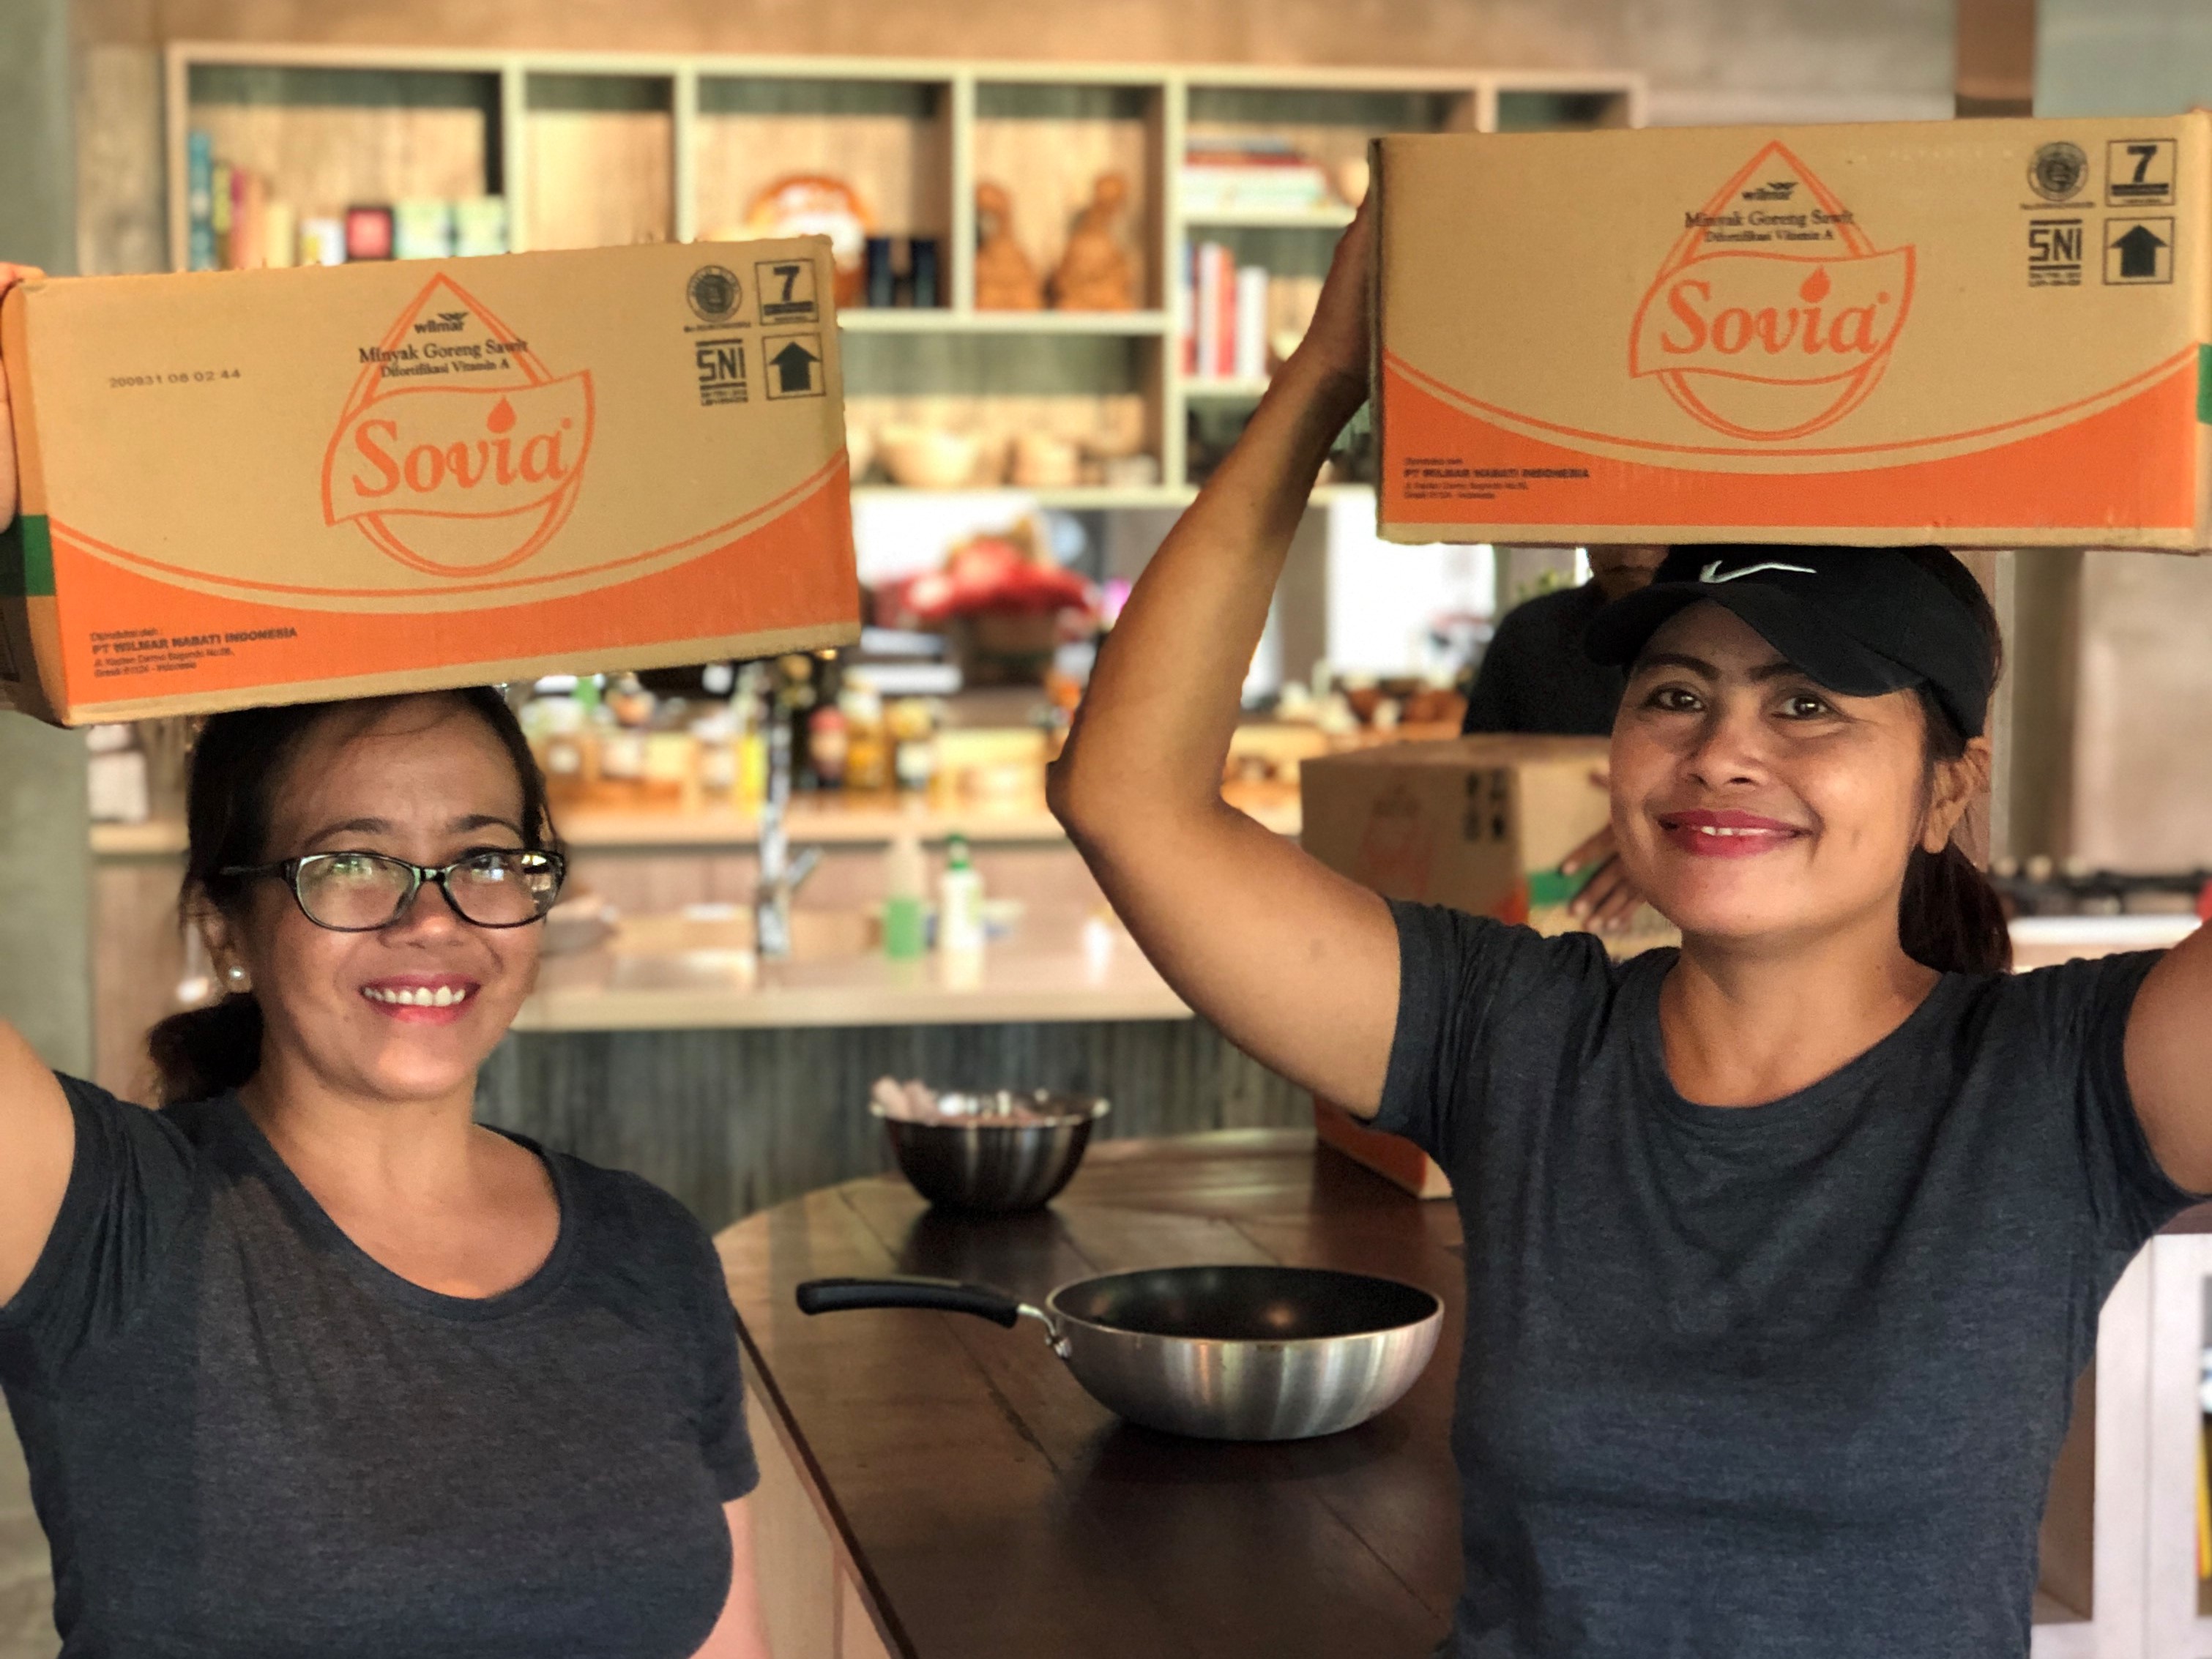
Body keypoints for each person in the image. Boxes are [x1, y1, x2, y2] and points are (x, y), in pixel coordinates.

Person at [1048, 201, 2211, 1658]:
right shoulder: (1514, 1034)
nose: (1723, 749)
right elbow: (1126, 800)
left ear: (1945, 787)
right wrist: (1324, 376)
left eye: (1806, 704)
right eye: (1674, 693)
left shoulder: (2061, 1086)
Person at [0, 264, 771, 1658]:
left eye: (485, 853)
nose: (434, 919)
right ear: (226, 920)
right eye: (349, 861)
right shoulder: (111, 1222)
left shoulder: (652, 1250)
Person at [1461, 548, 1669, 936]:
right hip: (1542, 936)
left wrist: (1674, 844)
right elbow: (1469, 797)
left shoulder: (1747, 629)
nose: (1629, 537)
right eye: (1609, 511)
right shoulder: (1531, 635)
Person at [1459, 545, 1667, 738]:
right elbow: (1479, 759)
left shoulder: (1698, 626)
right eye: (1604, 521)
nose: (1627, 551)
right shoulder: (1531, 631)